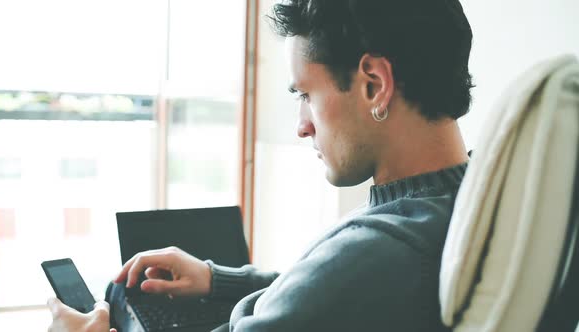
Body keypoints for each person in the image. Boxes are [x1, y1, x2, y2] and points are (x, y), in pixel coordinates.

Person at [47, 0, 473, 330]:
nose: (303, 127)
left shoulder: (381, 249)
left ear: (374, 85)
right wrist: (217, 279)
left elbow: (337, 285)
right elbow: (327, 288)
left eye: (305, 94)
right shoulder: (476, 199)